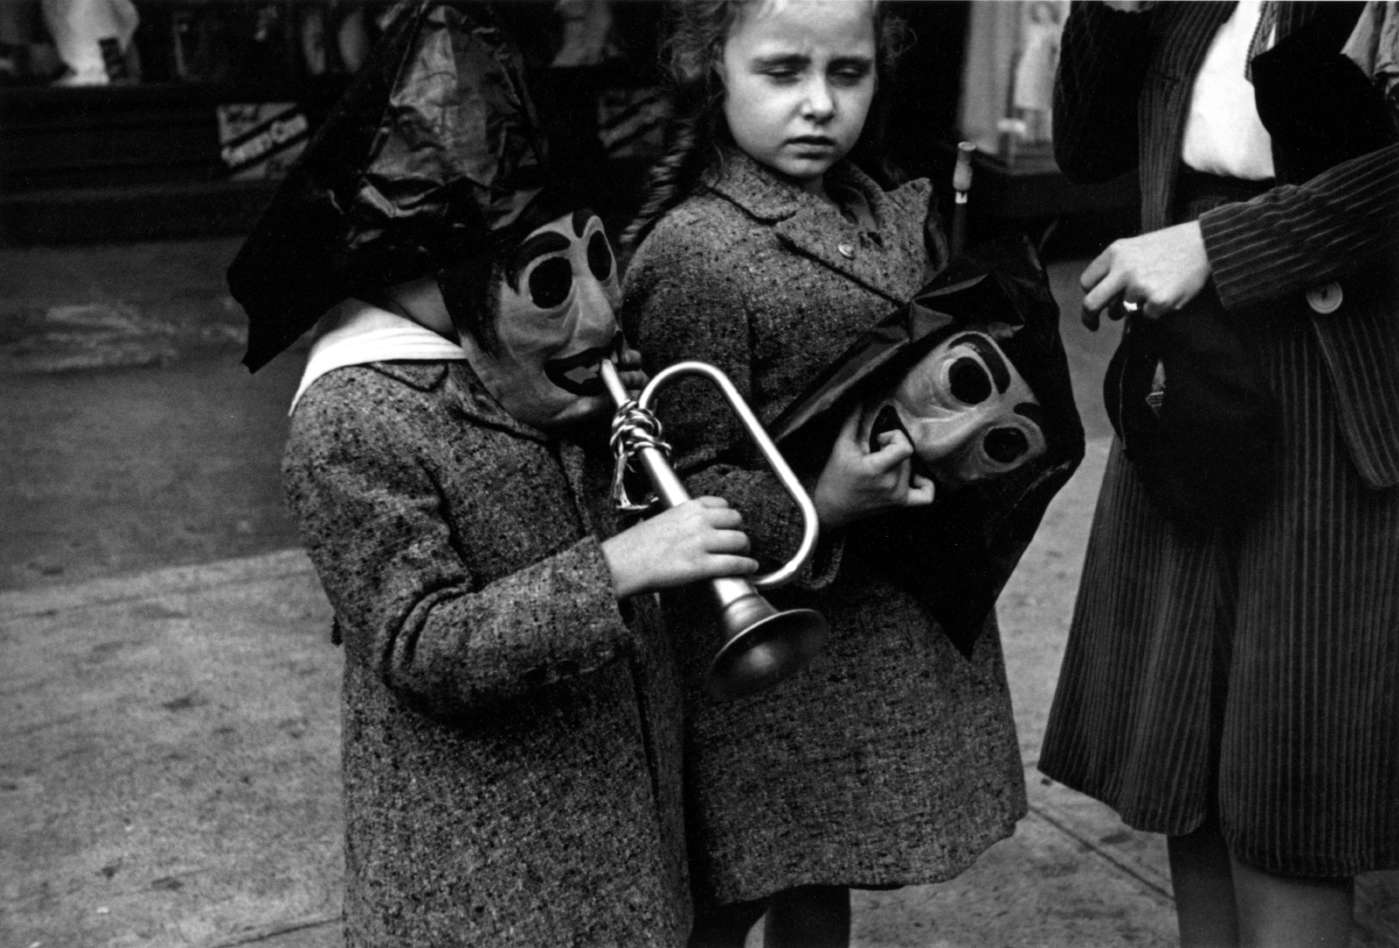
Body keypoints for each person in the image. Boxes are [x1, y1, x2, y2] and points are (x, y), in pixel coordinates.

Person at [228, 5, 759, 945]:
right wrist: (619, 567)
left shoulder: (538, 373)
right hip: (483, 886)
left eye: (599, 262)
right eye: (550, 282)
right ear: (435, 275)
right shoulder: (352, 417)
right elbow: (420, 646)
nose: (601, 316)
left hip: (620, 838)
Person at [622, 2, 1026, 946]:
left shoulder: (881, 207)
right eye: (781, 72)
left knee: (821, 862)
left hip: (874, 621)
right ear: (711, 65)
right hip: (769, 647)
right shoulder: (695, 253)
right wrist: (822, 501)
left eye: (847, 73)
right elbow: (671, 486)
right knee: (734, 881)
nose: (817, 104)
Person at [1039, 2, 1399, 946]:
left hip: (1331, 390)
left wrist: (1215, 247)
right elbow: (1085, 150)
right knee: (1188, 757)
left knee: (1290, 786)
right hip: (1189, 366)